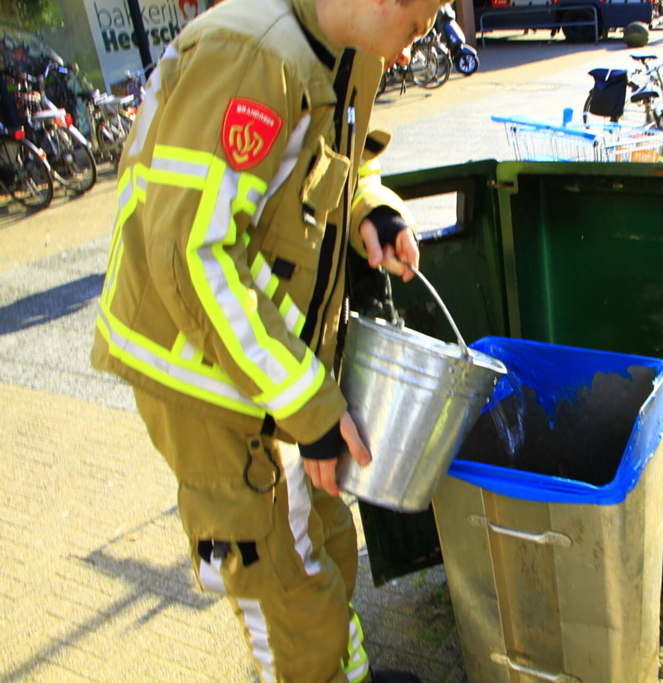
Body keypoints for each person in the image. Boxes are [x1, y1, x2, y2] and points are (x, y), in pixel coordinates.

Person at [90, 0, 444, 680]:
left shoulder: (345, 48)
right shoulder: (252, 58)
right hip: (205, 377)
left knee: (323, 539)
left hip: (268, 361)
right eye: (418, 24)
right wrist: (310, 407)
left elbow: (323, 170)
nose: (410, 49)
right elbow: (194, 258)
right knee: (281, 583)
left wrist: (371, 209)